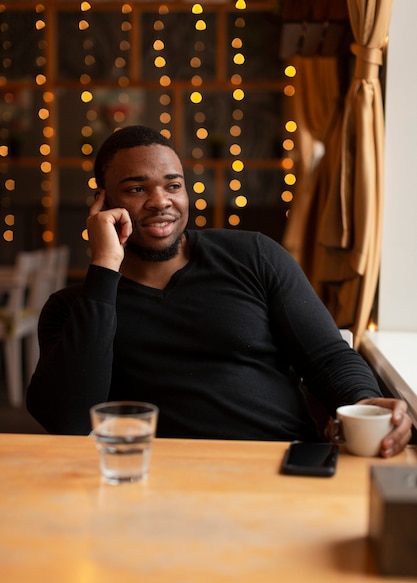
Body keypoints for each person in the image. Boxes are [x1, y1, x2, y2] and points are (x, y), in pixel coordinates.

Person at [26, 125, 412, 457]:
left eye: (173, 185)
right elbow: (69, 421)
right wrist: (105, 265)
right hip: (159, 483)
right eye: (136, 188)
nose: (161, 201)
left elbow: (327, 357)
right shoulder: (73, 308)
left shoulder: (253, 256)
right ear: (104, 202)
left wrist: (364, 402)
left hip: (279, 466)